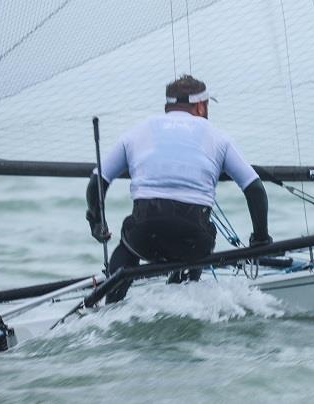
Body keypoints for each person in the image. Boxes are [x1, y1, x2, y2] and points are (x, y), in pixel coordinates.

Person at [85, 74, 272, 303]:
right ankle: (184, 293)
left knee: (128, 243)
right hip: (192, 242)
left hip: (145, 238)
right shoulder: (218, 137)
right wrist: (260, 240)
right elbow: (255, 189)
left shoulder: (137, 132)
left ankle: (111, 302)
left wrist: (96, 222)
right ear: (201, 106)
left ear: (167, 107)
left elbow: (97, 181)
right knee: (202, 235)